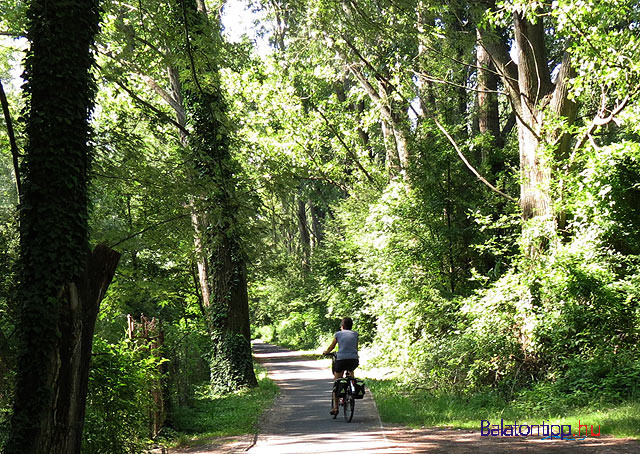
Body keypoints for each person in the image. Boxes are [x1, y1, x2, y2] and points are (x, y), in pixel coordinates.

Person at [323, 317, 359, 415]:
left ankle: (335, 408)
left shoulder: (338, 334)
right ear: (351, 326)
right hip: (354, 360)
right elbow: (354, 346)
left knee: (337, 382)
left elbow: (332, 346)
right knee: (351, 371)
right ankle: (352, 386)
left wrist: (326, 352)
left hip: (341, 360)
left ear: (342, 326)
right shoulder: (355, 334)